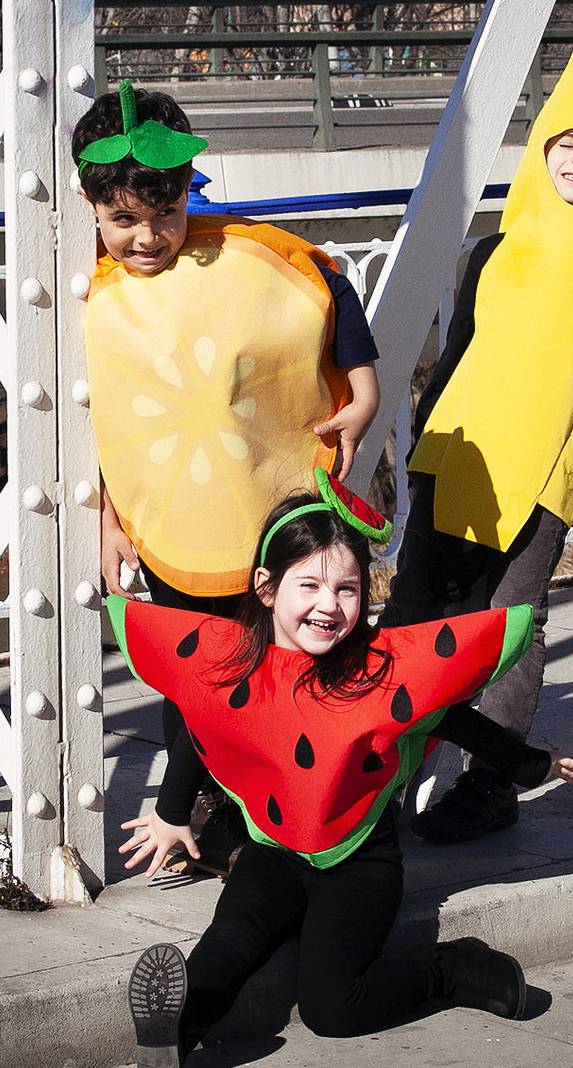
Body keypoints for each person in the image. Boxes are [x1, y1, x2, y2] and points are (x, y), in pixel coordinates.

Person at [107, 476, 573, 1068]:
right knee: (229, 939)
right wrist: (172, 815)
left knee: (333, 1009)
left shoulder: (380, 673)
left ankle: (456, 967)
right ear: (266, 587)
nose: (328, 605)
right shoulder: (238, 666)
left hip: (361, 862)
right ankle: (175, 1034)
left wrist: (534, 765)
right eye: (308, 585)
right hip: (272, 850)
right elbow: (203, 736)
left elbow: (460, 722)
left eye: (347, 589)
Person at [380, 0, 573, 845]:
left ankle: (490, 779)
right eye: (564, 145)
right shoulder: (497, 248)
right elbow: (461, 350)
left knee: (510, 624)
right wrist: (423, 437)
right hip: (462, 454)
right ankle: (381, 764)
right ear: (543, 154)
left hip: (545, 471)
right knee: (417, 608)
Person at [72, 82, 381, 870]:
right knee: (193, 681)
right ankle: (209, 817)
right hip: (171, 520)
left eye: (164, 216)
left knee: (261, 674)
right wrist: (111, 518)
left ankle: (243, 820)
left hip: (262, 512)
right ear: (92, 205)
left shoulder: (241, 250)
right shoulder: (96, 294)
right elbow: (118, 420)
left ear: (186, 196)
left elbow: (322, 281)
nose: (147, 238)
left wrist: (365, 386)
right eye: (123, 222)